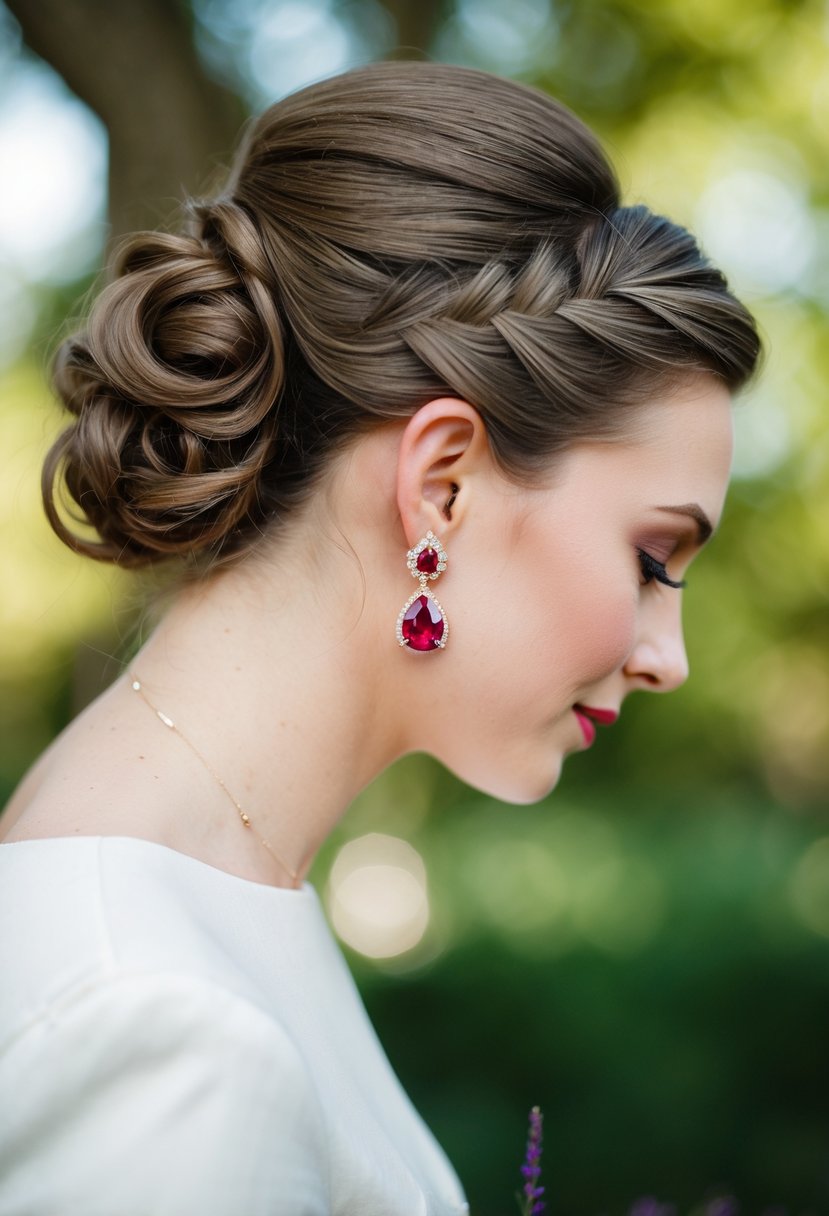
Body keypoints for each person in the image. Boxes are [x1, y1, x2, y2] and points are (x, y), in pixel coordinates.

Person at [0, 59, 759, 1215]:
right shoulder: (166, 1035)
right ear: (442, 486)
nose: (669, 655)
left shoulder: (217, 883)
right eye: (653, 562)